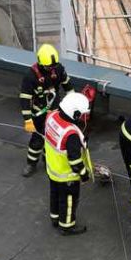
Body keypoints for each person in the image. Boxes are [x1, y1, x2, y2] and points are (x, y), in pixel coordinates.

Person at [20, 44, 74, 177]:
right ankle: (31, 164)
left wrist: (73, 102)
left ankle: (47, 161)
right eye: (49, 67)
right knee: (37, 139)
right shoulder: (31, 76)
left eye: (53, 67)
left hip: (55, 111)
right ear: (41, 64)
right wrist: (28, 120)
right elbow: (25, 99)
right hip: (39, 112)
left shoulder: (58, 69)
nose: (52, 70)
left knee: (52, 139)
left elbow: (67, 85)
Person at [44, 91, 91, 235]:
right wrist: (84, 175)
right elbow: (75, 161)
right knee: (69, 200)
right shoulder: (70, 135)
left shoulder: (51, 116)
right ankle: (67, 226)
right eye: (82, 114)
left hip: (52, 169)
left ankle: (55, 217)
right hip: (67, 175)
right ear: (75, 114)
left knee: (55, 194)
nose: (83, 117)